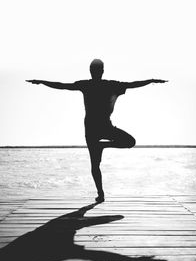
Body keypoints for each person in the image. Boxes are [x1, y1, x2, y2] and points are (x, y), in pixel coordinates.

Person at [26, 59, 167, 202]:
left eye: (95, 70)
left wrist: (151, 81)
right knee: (96, 163)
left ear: (97, 71)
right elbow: (62, 86)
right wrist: (151, 80)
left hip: (99, 127)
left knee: (128, 143)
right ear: (100, 71)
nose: (95, 73)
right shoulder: (102, 85)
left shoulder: (96, 85)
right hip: (97, 128)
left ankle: (102, 152)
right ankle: (101, 193)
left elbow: (133, 84)